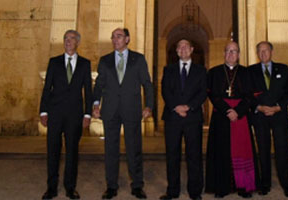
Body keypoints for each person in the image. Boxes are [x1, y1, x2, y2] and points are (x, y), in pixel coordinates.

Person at [92, 28, 154, 199]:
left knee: (134, 148)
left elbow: (147, 84)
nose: (114, 39)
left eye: (118, 36)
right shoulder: (105, 61)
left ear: (127, 39)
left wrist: (149, 106)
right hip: (110, 110)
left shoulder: (138, 59)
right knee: (110, 149)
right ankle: (111, 186)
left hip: (132, 109)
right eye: (113, 37)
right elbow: (98, 85)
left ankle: (137, 185)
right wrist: (96, 104)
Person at [38, 30, 93, 200]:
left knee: (72, 153)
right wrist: (43, 111)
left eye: (71, 39)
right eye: (65, 39)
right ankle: (51, 188)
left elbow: (88, 91)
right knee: (53, 151)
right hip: (55, 113)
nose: (68, 41)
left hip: (75, 115)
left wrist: (87, 114)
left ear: (78, 42)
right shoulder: (54, 62)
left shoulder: (85, 63)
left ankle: (70, 188)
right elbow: (47, 88)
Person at [205, 41, 259, 198]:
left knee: (242, 150)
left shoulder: (246, 72)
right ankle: (221, 187)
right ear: (223, 54)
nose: (230, 54)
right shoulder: (214, 72)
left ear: (239, 55)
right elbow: (212, 94)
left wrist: (238, 111)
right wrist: (227, 110)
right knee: (221, 151)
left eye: (234, 51)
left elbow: (250, 95)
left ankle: (243, 187)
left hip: (240, 117)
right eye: (228, 51)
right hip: (221, 115)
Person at [159, 39, 207, 200]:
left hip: (193, 118)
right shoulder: (168, 69)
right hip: (172, 117)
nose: (183, 49)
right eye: (180, 46)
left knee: (194, 155)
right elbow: (165, 91)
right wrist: (177, 107)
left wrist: (189, 107)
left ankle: (195, 191)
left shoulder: (201, 70)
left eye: (186, 46)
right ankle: (172, 190)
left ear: (192, 49)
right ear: (177, 51)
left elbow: (202, 93)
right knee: (172, 155)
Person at [247, 41, 288, 197]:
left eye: (265, 50)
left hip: (279, 115)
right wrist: (259, 107)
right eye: (260, 51)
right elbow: (247, 94)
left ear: (271, 52)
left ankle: (287, 185)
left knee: (282, 150)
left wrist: (277, 107)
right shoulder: (251, 71)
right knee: (263, 150)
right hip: (260, 116)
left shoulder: (284, 69)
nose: (263, 54)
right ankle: (264, 183)